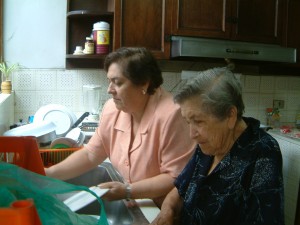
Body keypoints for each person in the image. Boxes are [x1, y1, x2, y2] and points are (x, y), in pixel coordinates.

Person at [45, 47, 195, 207]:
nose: (109, 90)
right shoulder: (112, 109)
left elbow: (175, 177)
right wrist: (48, 174)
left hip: (164, 210)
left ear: (143, 83)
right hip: (137, 202)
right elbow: (91, 155)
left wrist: (128, 190)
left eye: (117, 82)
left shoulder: (173, 114)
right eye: (109, 81)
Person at [150, 67, 284, 225]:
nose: (192, 134)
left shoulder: (263, 152)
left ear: (230, 115)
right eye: (188, 122)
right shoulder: (208, 144)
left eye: (198, 121)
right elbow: (179, 190)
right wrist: (168, 211)